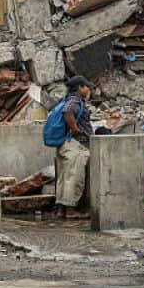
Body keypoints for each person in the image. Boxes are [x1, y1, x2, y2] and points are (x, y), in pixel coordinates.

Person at [53, 76, 93, 219]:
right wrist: (75, 129)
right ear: (80, 88)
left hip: (66, 144)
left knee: (64, 178)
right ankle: (70, 211)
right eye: (86, 87)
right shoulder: (74, 100)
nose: (88, 89)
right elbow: (68, 112)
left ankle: (60, 210)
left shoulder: (66, 99)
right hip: (76, 144)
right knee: (74, 177)